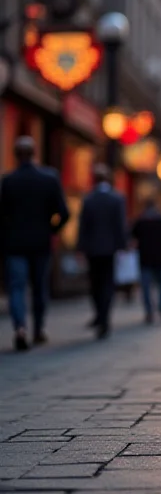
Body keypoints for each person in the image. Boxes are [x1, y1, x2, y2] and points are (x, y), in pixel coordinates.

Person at [0, 136, 70, 351]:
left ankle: (20, 327)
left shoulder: (8, 181)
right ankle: (38, 329)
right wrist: (51, 230)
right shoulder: (49, 179)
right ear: (34, 153)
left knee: (17, 287)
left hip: (15, 244)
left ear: (16, 155)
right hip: (41, 243)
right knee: (39, 287)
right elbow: (64, 213)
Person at [77, 164, 127, 339]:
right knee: (107, 283)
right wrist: (122, 246)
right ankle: (104, 317)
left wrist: (80, 248)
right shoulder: (117, 199)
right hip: (110, 249)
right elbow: (120, 225)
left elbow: (83, 226)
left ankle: (99, 315)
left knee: (95, 284)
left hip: (92, 250)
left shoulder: (89, 199)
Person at [131, 197, 161, 324]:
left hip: (145, 258)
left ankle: (149, 311)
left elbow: (132, 238)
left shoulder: (140, 221)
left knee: (146, 287)